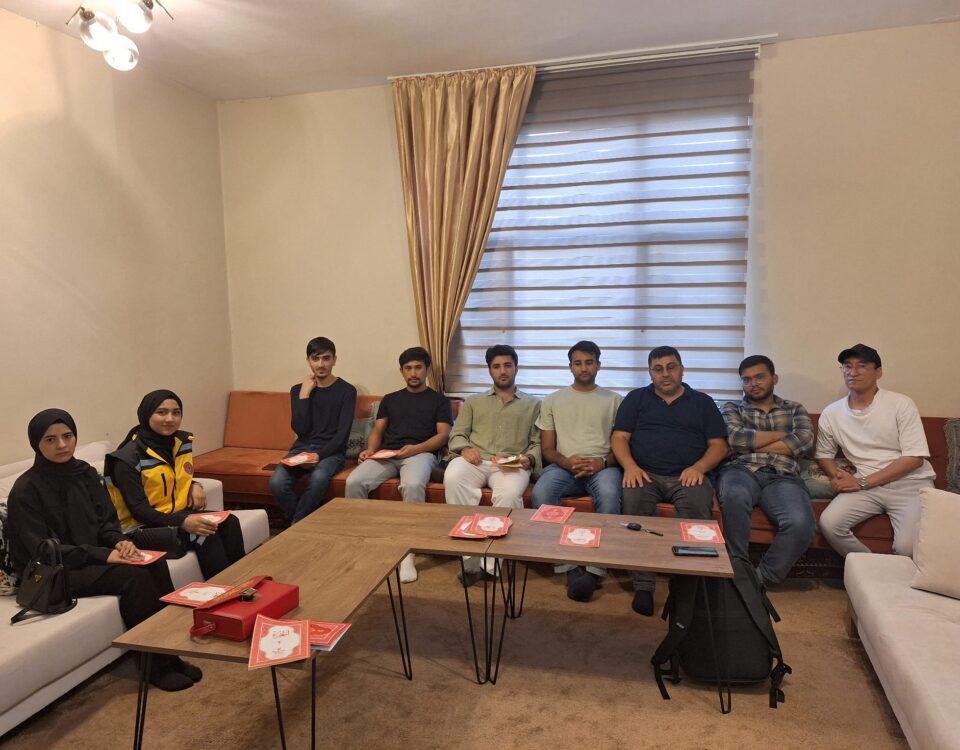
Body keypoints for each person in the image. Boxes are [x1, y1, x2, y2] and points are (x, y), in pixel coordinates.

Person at [7, 409, 201, 691]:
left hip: (93, 557)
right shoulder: (26, 489)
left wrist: (118, 541)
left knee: (155, 562)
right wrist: (104, 555)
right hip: (55, 571)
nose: (62, 445)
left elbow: (106, 522)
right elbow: (42, 550)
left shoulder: (85, 473)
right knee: (134, 577)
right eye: (50, 439)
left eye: (67, 436)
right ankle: (155, 667)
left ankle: (172, 654)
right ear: (36, 443)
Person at [611, 346, 728, 615]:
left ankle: (686, 583)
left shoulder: (702, 402)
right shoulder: (636, 399)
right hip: (644, 473)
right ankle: (643, 585)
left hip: (688, 475)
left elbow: (719, 445)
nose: (665, 374)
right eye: (658, 369)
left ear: (682, 369)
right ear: (650, 373)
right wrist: (630, 467)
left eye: (671, 367)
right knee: (634, 508)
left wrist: (699, 467)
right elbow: (619, 438)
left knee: (695, 515)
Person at [105, 390, 246, 579]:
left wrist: (194, 484)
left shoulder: (180, 442)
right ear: (146, 414)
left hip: (173, 515)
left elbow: (173, 477)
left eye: (176, 413)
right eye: (161, 412)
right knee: (204, 533)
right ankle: (223, 588)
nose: (170, 419)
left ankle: (243, 581)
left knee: (229, 521)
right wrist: (182, 522)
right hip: (138, 529)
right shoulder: (126, 459)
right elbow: (139, 511)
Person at [345, 347, 453, 582]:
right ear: (402, 371)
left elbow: (443, 435)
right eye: (408, 368)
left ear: (427, 370)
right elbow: (378, 430)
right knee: (354, 481)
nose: (413, 373)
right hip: (387, 454)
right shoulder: (390, 399)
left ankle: (408, 554)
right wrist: (370, 450)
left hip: (420, 454)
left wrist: (416, 448)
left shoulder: (439, 400)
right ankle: (361, 543)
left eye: (418, 367)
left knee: (412, 485)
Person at [816, 344, 935, 557]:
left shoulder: (901, 403)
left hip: (909, 484)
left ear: (878, 372)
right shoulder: (831, 413)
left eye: (862, 366)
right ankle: (868, 567)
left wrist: (861, 482)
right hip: (865, 486)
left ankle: (890, 572)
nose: (853, 372)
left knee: (906, 547)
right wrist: (838, 476)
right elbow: (824, 455)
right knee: (830, 523)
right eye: (847, 366)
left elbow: (914, 458)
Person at [531, 340, 622, 602]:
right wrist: (566, 462)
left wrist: (602, 463)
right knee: (542, 493)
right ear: (570, 367)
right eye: (578, 363)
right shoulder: (552, 400)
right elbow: (547, 449)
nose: (584, 368)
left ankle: (595, 570)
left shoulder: (615, 401)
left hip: (602, 467)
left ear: (599, 365)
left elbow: (623, 446)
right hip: (563, 467)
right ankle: (567, 566)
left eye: (589, 362)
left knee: (609, 495)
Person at [444, 344, 541, 586]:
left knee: (509, 494)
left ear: (516, 368)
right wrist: (465, 449)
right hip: (475, 461)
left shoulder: (534, 404)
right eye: (496, 366)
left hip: (512, 464)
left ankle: (493, 564)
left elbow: (537, 442)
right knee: (453, 477)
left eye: (507, 365)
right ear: (489, 370)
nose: (502, 371)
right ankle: (469, 559)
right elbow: (457, 434)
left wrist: (529, 459)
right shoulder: (474, 402)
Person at [717, 355, 816, 585]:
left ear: (774, 378)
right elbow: (735, 439)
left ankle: (758, 580)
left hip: (783, 477)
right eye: (747, 379)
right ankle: (736, 568)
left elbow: (803, 443)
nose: (753, 383)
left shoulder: (794, 409)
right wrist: (784, 436)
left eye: (759, 377)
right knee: (734, 495)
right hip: (741, 470)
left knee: (801, 524)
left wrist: (752, 442)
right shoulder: (732, 408)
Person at [269, 337, 358, 523]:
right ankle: (305, 524)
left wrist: (318, 455)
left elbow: (342, 435)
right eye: (315, 358)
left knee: (318, 478)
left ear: (334, 360)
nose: (321, 364)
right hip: (301, 449)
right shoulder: (298, 390)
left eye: (326, 358)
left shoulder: (347, 391)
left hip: (331, 452)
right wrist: (304, 394)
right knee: (277, 482)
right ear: (308, 360)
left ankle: (296, 527)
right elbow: (301, 430)